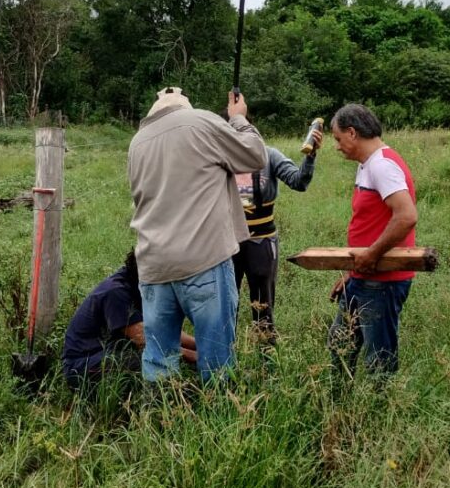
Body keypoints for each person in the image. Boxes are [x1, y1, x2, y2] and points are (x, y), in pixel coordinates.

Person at [127, 87, 266, 383]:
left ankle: (158, 419)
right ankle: (220, 421)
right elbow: (254, 156)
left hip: (153, 267)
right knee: (216, 358)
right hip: (204, 260)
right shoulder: (200, 122)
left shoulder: (137, 142)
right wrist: (238, 119)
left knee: (159, 359)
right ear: (185, 107)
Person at [326, 103, 418, 378]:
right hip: (362, 275)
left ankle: (378, 411)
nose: (337, 146)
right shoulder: (368, 164)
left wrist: (372, 255)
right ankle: (338, 409)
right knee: (340, 346)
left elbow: (406, 216)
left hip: (382, 281)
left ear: (352, 133)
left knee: (379, 359)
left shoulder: (382, 165)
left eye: (338, 139)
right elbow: (369, 225)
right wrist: (349, 272)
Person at [62, 250, 198, 393]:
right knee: (151, 360)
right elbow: (149, 341)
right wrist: (194, 357)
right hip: (82, 367)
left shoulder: (136, 284)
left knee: (155, 358)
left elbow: (161, 330)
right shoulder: (115, 293)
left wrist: (199, 344)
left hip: (107, 354)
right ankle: (157, 402)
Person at [233, 129, 323, 346]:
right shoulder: (220, 158)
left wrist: (310, 156)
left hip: (261, 242)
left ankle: (267, 365)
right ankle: (224, 365)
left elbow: (299, 182)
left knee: (263, 308)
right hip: (227, 245)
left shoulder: (269, 156)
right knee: (225, 307)